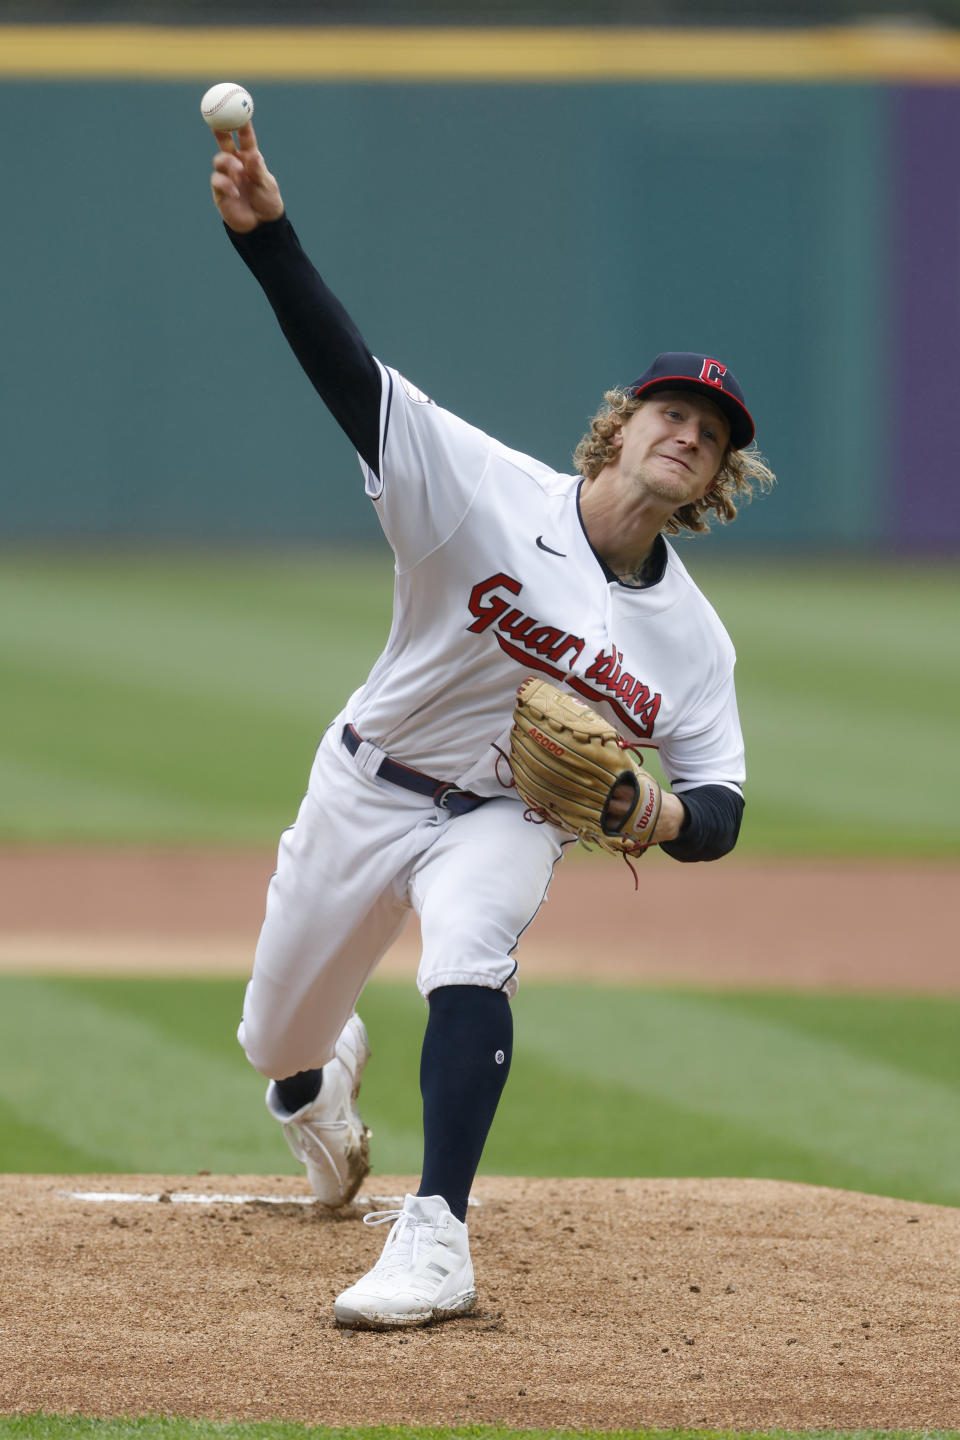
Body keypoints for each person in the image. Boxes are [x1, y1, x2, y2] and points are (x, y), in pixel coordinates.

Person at [208, 121, 775, 1331]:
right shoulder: (481, 490)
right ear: (620, 425)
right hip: (367, 784)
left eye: (713, 435)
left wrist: (659, 810)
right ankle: (315, 1082)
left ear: (718, 480)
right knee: (274, 1033)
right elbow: (348, 376)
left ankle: (438, 1237)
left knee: (470, 949)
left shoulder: (694, 642)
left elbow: (720, 805)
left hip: (509, 818)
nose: (690, 432)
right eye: (672, 413)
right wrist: (270, 242)